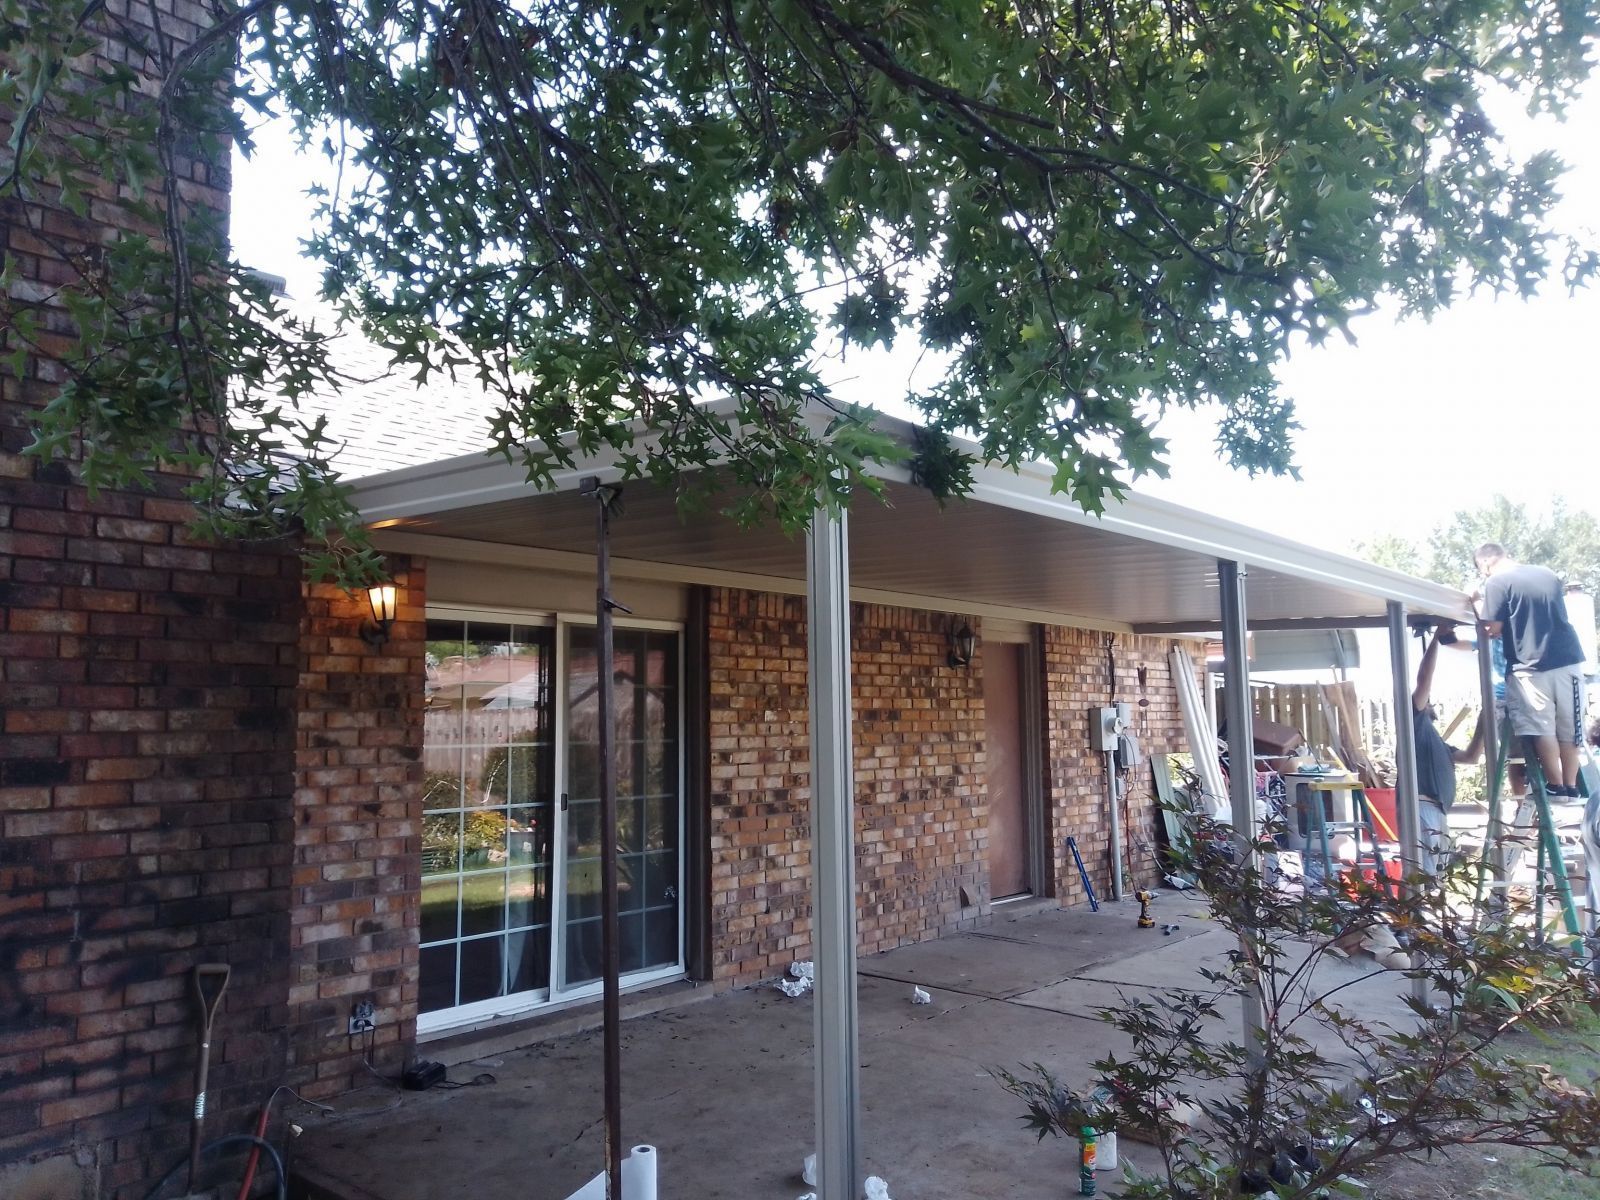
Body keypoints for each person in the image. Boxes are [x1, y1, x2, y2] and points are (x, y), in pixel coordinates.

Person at [1475, 543, 1588, 796]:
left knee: (1541, 727)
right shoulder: (1547, 573)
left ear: (1484, 565)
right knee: (1570, 729)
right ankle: (1570, 786)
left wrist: (1476, 603)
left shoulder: (1496, 583)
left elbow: (1491, 628)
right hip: (1568, 660)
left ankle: (1555, 785)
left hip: (1528, 667)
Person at [1411, 623, 1484, 875]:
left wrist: (1484, 720)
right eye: (1428, 701)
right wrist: (1436, 639)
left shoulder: (1435, 741)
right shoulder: (1413, 722)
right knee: (1425, 874)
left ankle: (1427, 913)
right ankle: (1417, 914)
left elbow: (1471, 757)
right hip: (1420, 808)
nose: (1431, 702)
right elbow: (1424, 680)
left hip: (1437, 810)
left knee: (1436, 873)